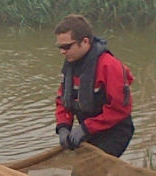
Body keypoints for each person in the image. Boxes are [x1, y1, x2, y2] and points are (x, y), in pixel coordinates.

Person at [54, 14, 134, 157]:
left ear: (85, 42)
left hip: (115, 131)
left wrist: (86, 128)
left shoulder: (109, 66)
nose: (62, 52)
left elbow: (120, 109)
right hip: (90, 130)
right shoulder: (71, 64)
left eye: (67, 47)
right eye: (60, 47)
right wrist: (63, 127)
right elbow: (62, 100)